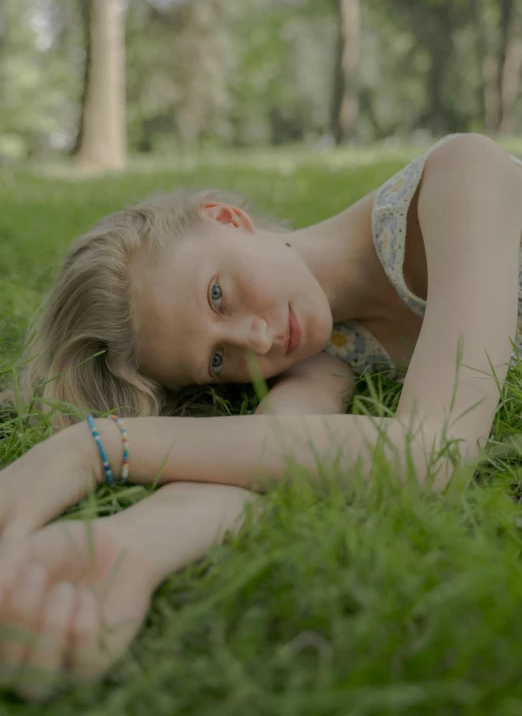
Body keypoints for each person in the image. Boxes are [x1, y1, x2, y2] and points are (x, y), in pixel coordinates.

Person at [1, 132, 522, 700]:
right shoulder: (327, 354)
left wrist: (94, 449)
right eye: (218, 358)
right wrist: (128, 546)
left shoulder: (462, 175)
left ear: (225, 218)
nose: (258, 339)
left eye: (218, 295)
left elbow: (434, 450)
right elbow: (268, 460)